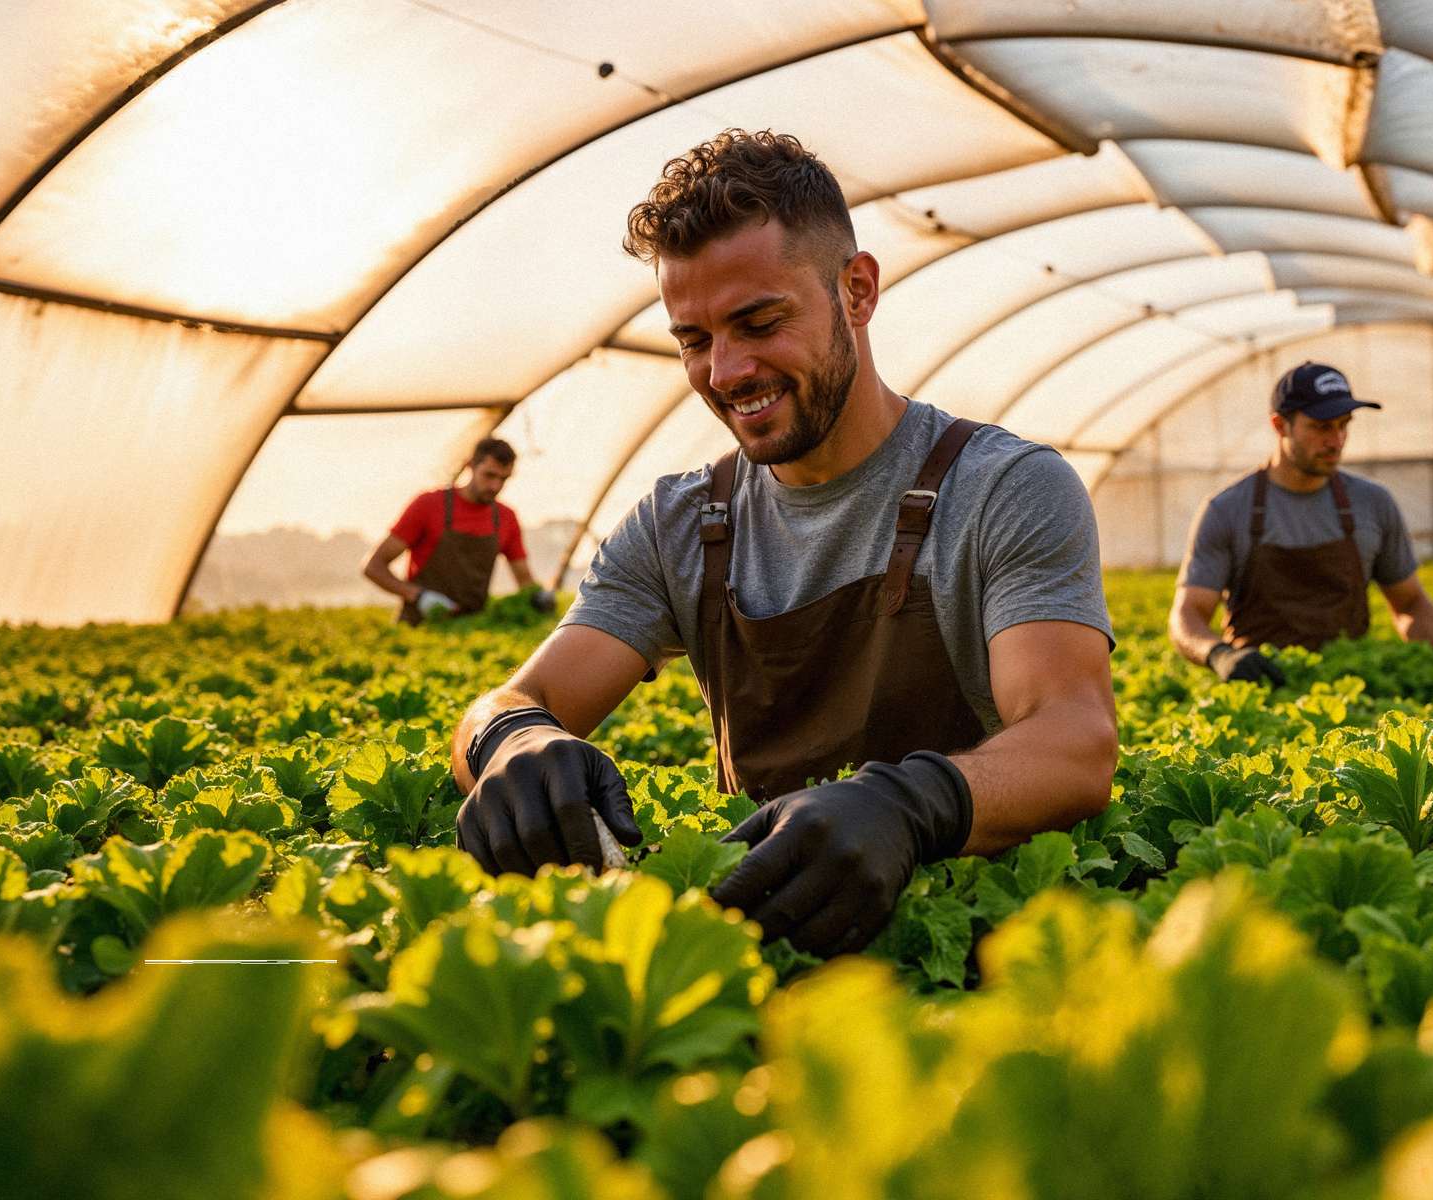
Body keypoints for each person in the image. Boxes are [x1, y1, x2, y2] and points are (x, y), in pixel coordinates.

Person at [447, 129, 1118, 957]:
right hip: (757, 944)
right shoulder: (678, 526)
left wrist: (911, 807)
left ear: (858, 291)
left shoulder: (1002, 488)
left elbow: (1075, 741)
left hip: (968, 951)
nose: (726, 372)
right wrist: (514, 740)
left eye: (759, 322)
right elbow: (510, 701)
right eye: (693, 340)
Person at [1169, 361, 1433, 686]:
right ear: (1279, 425)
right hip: (1261, 688)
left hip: (1355, 694)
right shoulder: (1227, 510)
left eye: (1344, 425)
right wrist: (1219, 654)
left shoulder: (1373, 503)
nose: (1337, 440)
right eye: (1321, 427)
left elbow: (1410, 602)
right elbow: (1189, 614)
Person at [362, 436, 556, 623]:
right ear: (470, 466)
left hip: (472, 626)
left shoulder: (506, 518)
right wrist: (418, 596)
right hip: (420, 626)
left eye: (503, 479)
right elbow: (373, 566)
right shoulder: (429, 505)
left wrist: (539, 597)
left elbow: (524, 579)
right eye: (489, 475)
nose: (495, 486)